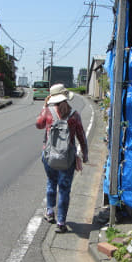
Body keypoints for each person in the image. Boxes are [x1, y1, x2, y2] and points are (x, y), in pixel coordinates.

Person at [35, 83, 88, 233]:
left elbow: (38, 125)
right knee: (64, 189)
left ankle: (50, 212)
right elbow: (81, 137)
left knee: (51, 182)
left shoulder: (47, 112)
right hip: (67, 158)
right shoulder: (74, 115)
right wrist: (85, 154)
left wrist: (44, 107)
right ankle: (61, 222)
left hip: (49, 155)